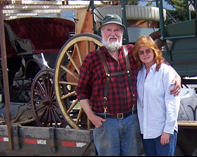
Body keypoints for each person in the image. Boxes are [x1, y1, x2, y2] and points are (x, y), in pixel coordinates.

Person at [76, 14, 181, 156]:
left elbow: (156, 61)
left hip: (131, 121)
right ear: (101, 33)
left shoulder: (131, 52)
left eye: (117, 30)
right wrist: (91, 116)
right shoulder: (92, 59)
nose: (113, 34)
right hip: (106, 122)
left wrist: (176, 76)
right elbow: (82, 91)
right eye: (108, 30)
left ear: (122, 33)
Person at [133, 35, 180, 156]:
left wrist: (168, 131)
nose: (145, 54)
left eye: (148, 51)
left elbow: (172, 103)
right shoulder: (140, 73)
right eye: (141, 52)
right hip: (147, 131)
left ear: (154, 51)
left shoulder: (166, 72)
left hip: (162, 131)